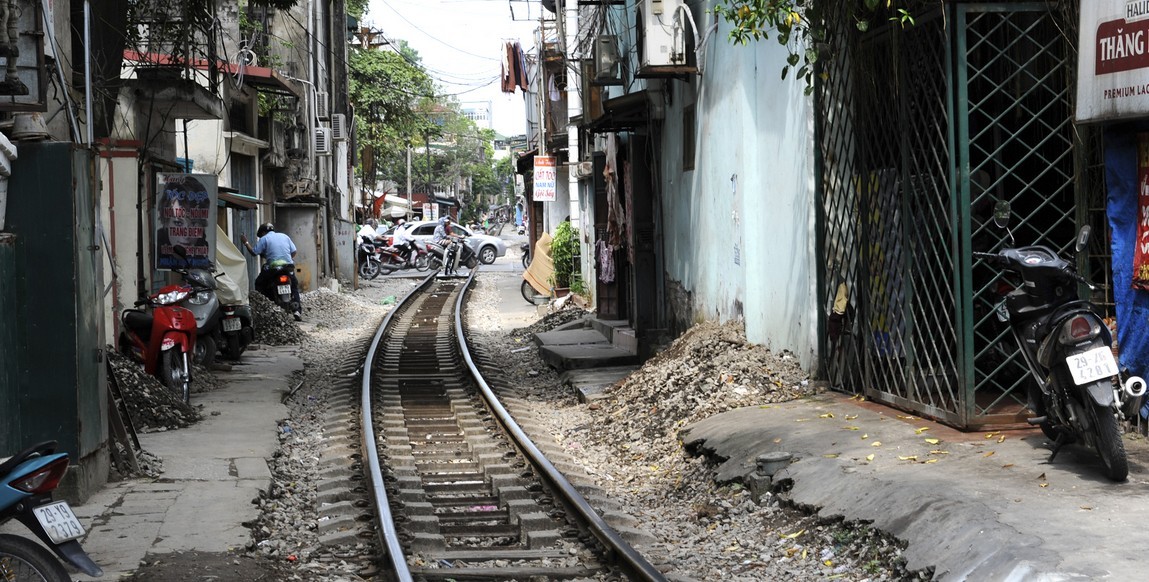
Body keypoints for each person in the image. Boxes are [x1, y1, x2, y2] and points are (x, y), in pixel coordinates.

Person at [241, 222, 303, 321]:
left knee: (259, 283)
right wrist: (286, 259)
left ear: (263, 232)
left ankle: (265, 307)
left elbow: (253, 252)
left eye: (260, 235)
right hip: (288, 267)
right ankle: (296, 310)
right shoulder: (284, 236)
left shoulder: (264, 239)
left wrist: (246, 242)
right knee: (294, 285)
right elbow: (294, 251)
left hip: (273, 269)